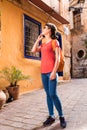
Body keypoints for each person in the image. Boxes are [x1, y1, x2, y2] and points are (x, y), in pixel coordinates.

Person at [31, 23, 66, 128]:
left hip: (51, 71)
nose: (43, 29)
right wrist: (38, 39)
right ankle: (51, 116)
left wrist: (54, 72)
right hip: (43, 72)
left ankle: (61, 116)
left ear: (50, 30)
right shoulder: (43, 44)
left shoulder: (55, 42)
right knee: (47, 94)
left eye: (45, 28)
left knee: (53, 94)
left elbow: (58, 58)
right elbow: (33, 50)